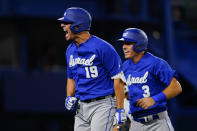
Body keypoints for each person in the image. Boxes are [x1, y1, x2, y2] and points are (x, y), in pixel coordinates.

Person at [58, 7, 126, 131]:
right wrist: (69, 96)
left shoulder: (103, 47)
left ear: (77, 26)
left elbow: (118, 79)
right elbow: (71, 77)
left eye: (66, 23)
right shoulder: (70, 50)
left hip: (103, 105)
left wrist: (120, 109)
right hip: (81, 107)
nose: (62, 25)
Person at [117, 28, 182, 131]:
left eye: (128, 43)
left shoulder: (156, 63)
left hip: (157, 122)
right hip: (136, 122)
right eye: (123, 43)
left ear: (139, 45)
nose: (124, 47)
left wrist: (154, 99)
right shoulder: (125, 66)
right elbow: (121, 89)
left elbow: (176, 87)